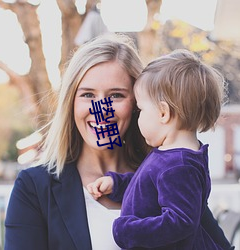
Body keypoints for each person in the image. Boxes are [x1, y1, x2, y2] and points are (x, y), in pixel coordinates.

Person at [4, 34, 233, 250]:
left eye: (116, 95)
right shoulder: (34, 187)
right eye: (88, 95)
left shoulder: (169, 171)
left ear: (138, 104)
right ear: (71, 103)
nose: (101, 110)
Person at [87, 49, 234, 249]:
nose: (138, 117)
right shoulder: (173, 157)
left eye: (141, 109)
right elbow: (149, 188)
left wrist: (128, 230)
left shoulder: (178, 166)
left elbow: (180, 222)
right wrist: (118, 184)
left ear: (163, 113)